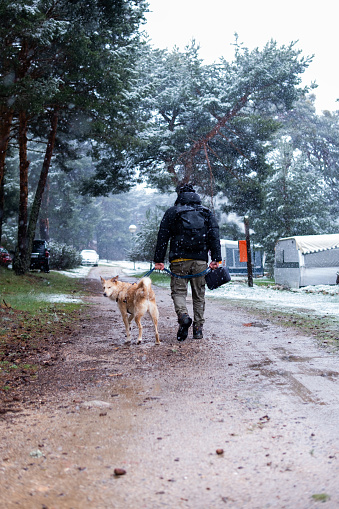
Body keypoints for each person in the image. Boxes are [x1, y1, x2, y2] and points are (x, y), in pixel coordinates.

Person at [154, 183, 221, 341]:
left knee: (179, 292)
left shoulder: (172, 212)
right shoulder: (206, 212)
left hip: (179, 260)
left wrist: (158, 260)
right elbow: (214, 235)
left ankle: (184, 316)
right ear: (195, 195)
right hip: (200, 261)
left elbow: (162, 236)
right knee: (199, 295)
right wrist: (216, 259)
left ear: (179, 195)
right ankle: (198, 329)